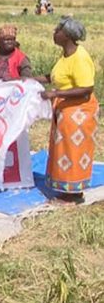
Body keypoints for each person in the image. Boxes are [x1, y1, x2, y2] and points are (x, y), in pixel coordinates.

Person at [38, 17, 97, 201]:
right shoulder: (66, 55)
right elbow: (54, 77)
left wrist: (55, 94)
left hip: (79, 113)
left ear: (67, 35)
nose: (54, 33)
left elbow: (86, 89)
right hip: (65, 112)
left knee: (73, 152)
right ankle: (65, 190)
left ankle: (74, 195)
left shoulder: (80, 57)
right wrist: (31, 80)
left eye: (58, 30)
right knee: (63, 151)